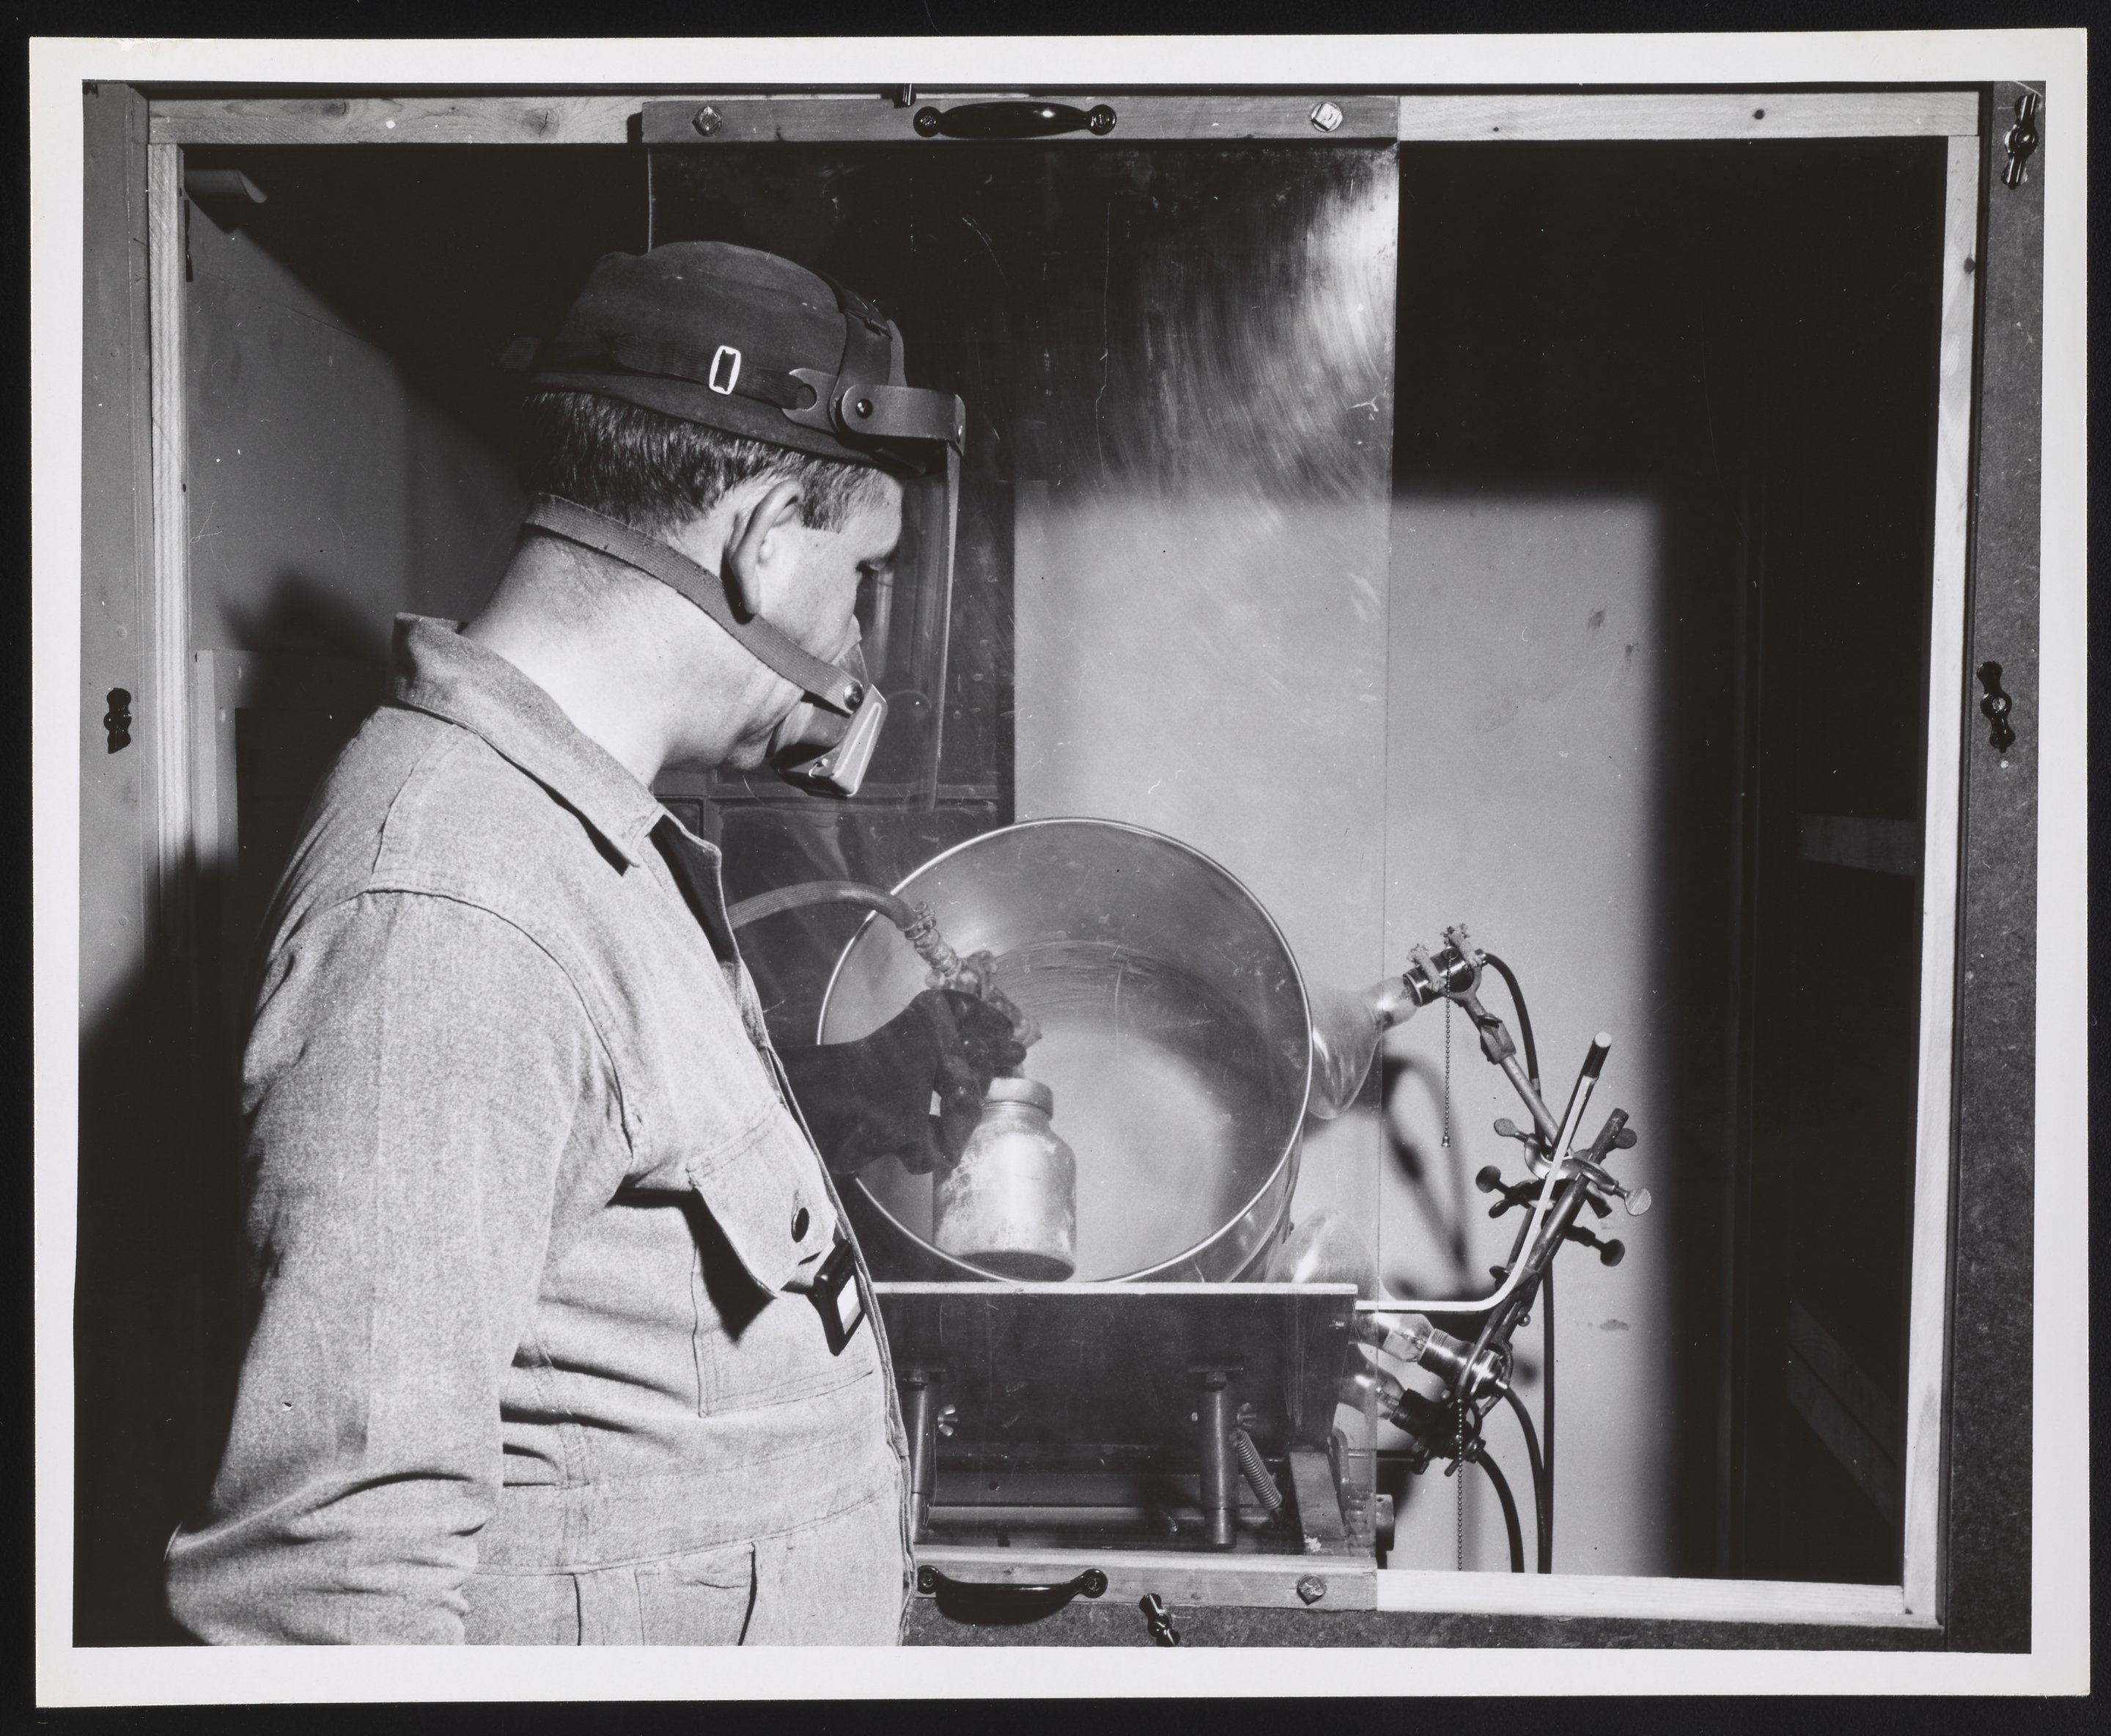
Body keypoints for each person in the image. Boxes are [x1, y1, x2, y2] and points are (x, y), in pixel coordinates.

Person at [164, 242, 1023, 1645]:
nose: (858, 636)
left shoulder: (572, 838)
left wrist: (876, 1077)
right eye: (863, 573)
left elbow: (625, 1195)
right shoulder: (451, 907)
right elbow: (324, 1595)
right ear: (764, 542)